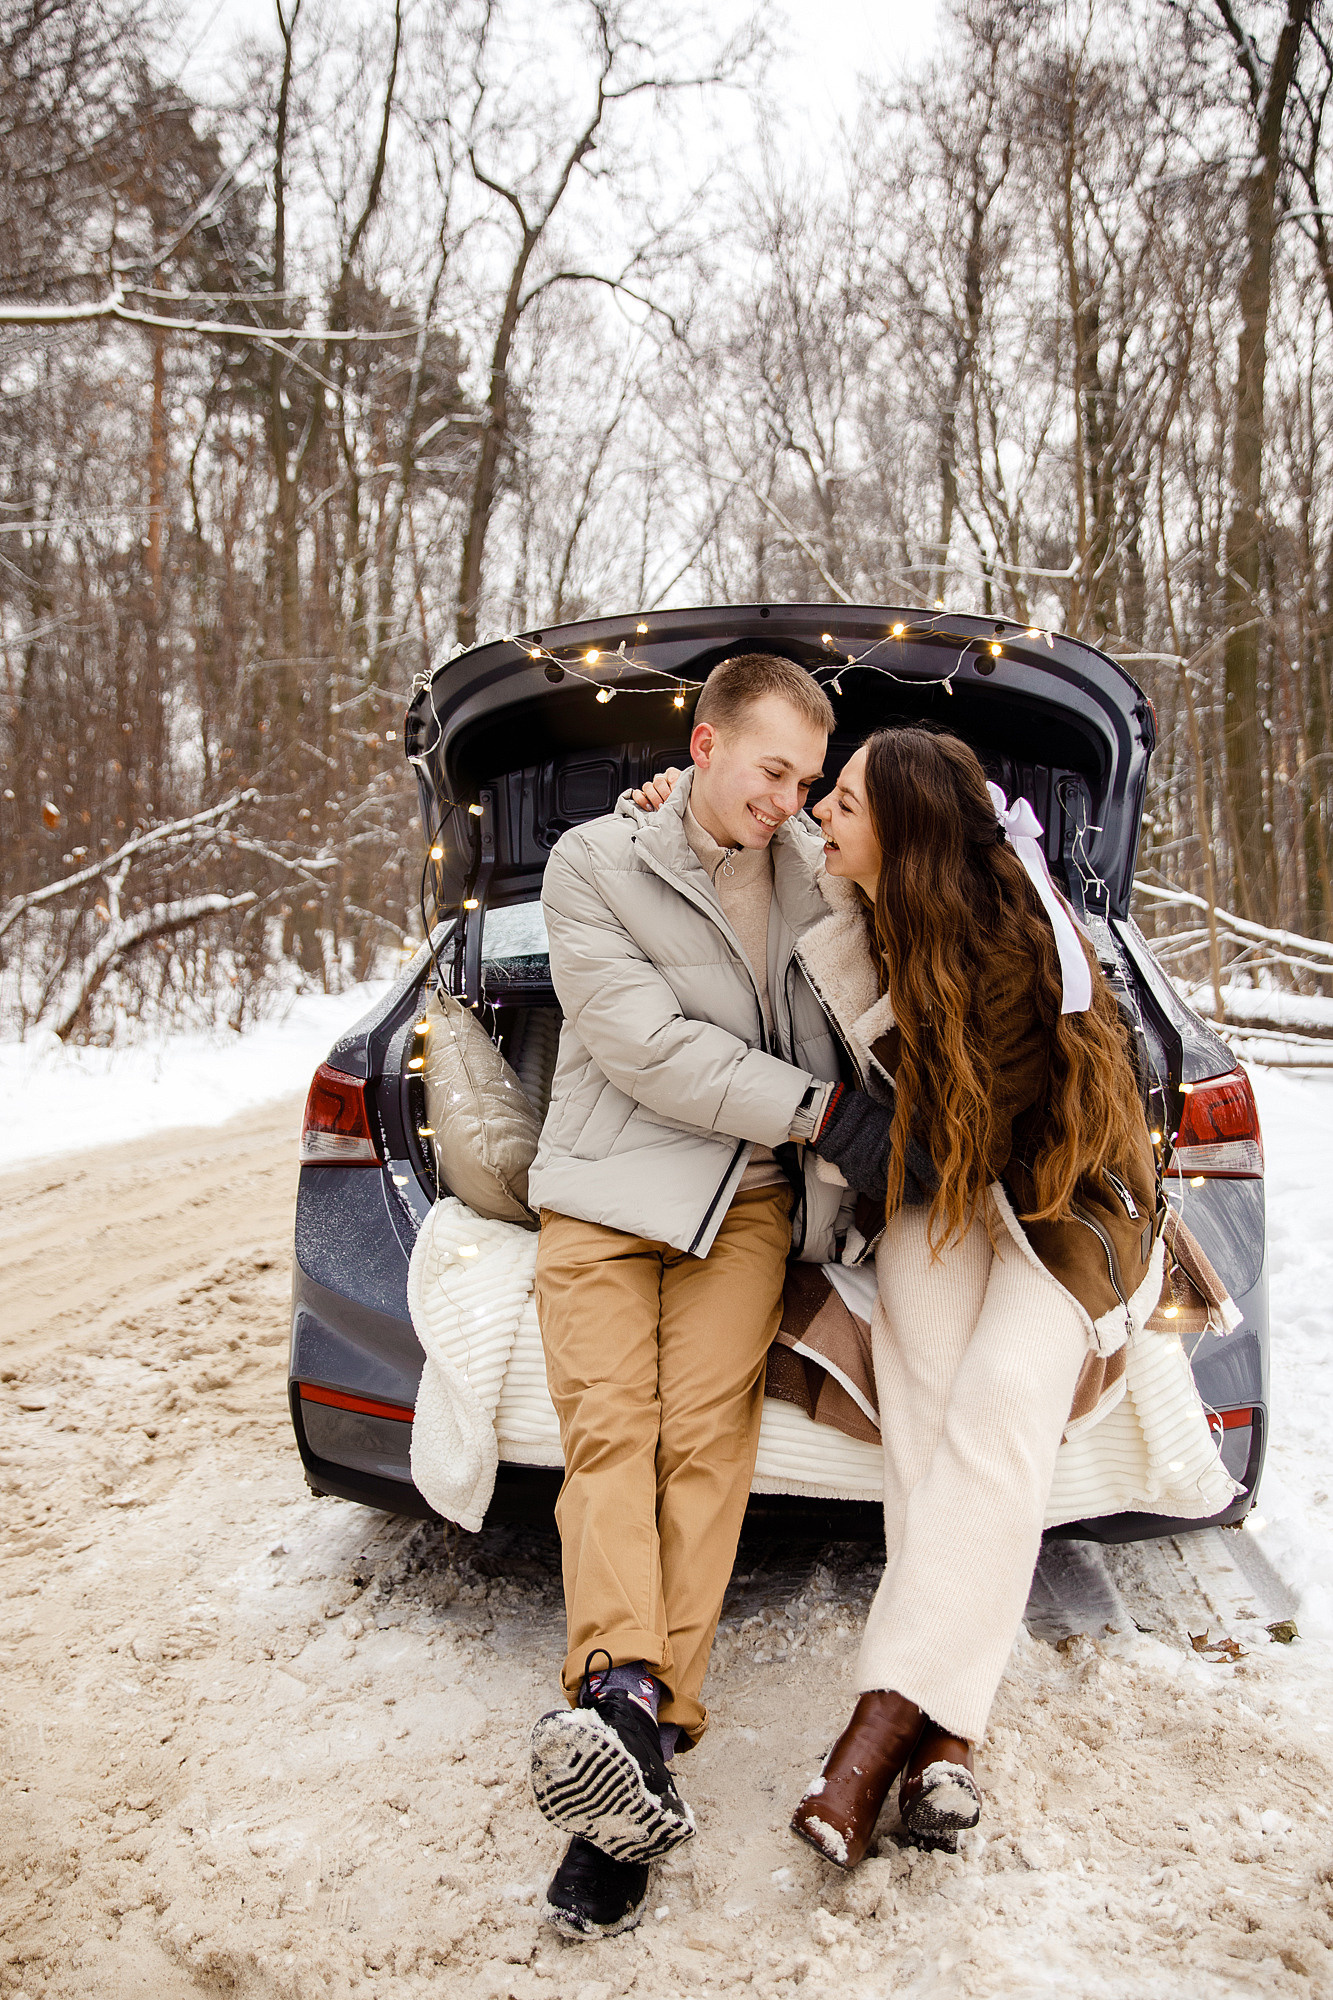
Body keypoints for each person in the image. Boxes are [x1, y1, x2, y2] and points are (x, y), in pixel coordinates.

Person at [784, 724, 1199, 1867]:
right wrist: (664, 793)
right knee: (923, 1401)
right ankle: (949, 1742)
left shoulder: (1020, 939)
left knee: (1001, 1398)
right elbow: (735, 825)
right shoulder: (860, 899)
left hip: (1061, 1203)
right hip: (944, 1190)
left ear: (905, 829)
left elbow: (975, 1127)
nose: (820, 811)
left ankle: (873, 1739)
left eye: (845, 800)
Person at [524, 653, 848, 1940]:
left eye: (807, 781)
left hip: (747, 1205)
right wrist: (820, 1111)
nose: (788, 800)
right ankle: (628, 1706)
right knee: (610, 1430)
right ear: (703, 746)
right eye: (772, 771)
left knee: (704, 1444)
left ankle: (630, 1733)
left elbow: (928, 882)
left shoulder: (814, 865)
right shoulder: (592, 863)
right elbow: (642, 1044)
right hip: (603, 1195)